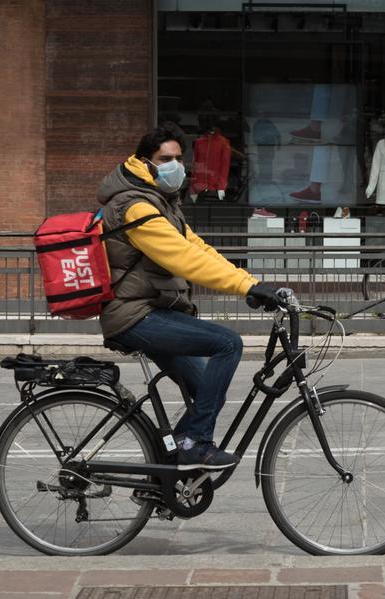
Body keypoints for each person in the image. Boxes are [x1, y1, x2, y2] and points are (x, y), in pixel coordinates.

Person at [96, 126, 282, 470]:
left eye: (179, 158)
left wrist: (250, 282)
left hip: (150, 311)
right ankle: (195, 443)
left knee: (208, 389)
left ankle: (166, 468)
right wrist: (246, 288)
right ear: (144, 163)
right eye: (165, 159)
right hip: (134, 316)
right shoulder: (135, 206)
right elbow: (184, 260)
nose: (175, 165)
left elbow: (199, 248)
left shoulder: (161, 203)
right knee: (227, 344)